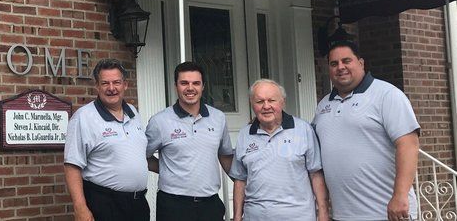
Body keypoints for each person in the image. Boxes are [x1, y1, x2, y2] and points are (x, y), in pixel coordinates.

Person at [312, 40, 420, 221]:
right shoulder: (323, 105)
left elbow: (409, 144)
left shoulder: (387, 95)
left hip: (387, 213)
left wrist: (400, 196)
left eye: (346, 61)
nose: (340, 67)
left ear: (361, 63)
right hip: (343, 215)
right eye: (334, 63)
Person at [230, 79, 330, 221]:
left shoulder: (303, 130)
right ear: (252, 104)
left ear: (282, 102)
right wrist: (237, 217)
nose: (266, 106)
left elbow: (316, 174)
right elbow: (240, 180)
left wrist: (323, 213)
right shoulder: (244, 135)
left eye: (272, 100)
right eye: (259, 101)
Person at [146, 61, 234, 221]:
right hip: (174, 205)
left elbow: (225, 156)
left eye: (196, 83)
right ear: (176, 86)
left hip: (210, 204)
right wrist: (166, 169)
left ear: (203, 86)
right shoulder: (160, 121)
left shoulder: (218, 118)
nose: (190, 88)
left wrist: (245, 184)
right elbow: (142, 156)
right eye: (184, 83)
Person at [64, 58, 149, 221]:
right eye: (105, 83)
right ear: (97, 86)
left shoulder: (132, 112)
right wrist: (80, 208)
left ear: (125, 85)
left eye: (116, 82)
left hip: (138, 204)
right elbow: (72, 165)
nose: (111, 88)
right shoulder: (84, 117)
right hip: (105, 204)